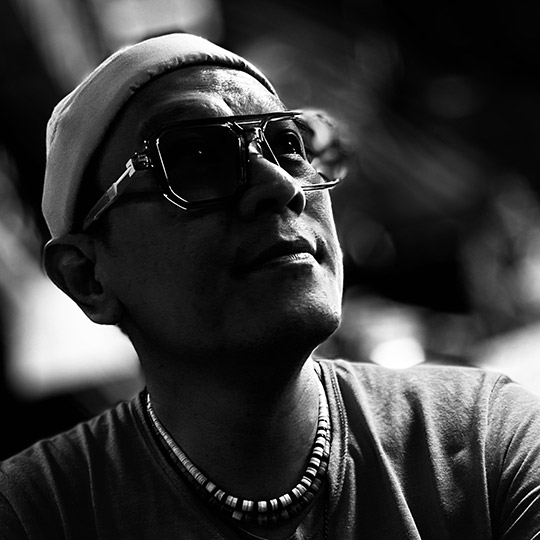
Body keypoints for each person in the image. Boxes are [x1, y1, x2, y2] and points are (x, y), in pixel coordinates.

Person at [0, 32, 539, 540]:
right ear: (87, 276)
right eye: (196, 157)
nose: (281, 185)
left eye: (289, 146)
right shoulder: (32, 511)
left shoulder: (483, 440)